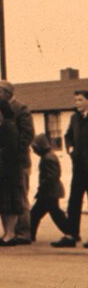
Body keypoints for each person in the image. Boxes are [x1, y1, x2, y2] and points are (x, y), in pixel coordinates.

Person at [0, 79, 34, 244]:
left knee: (19, 196)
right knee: (8, 197)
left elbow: (27, 134)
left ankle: (23, 233)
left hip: (18, 161)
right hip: (3, 163)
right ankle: (11, 233)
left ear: (8, 93)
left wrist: (15, 153)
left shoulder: (21, 108)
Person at [29, 133, 76, 245]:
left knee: (43, 214)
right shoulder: (48, 156)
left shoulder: (48, 158)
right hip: (50, 191)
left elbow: (52, 176)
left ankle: (71, 233)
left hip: (50, 192)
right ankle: (71, 233)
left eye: (35, 148)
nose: (34, 151)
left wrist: (42, 188)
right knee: (44, 214)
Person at [0, 98, 23, 246]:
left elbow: (11, 148)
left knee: (9, 204)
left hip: (9, 169)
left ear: (2, 110)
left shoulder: (9, 126)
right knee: (2, 203)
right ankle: (6, 233)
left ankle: (11, 233)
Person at [58, 89, 88, 248]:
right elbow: (68, 136)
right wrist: (70, 148)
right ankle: (71, 235)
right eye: (75, 100)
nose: (77, 103)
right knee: (74, 201)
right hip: (79, 167)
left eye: (80, 100)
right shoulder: (75, 118)